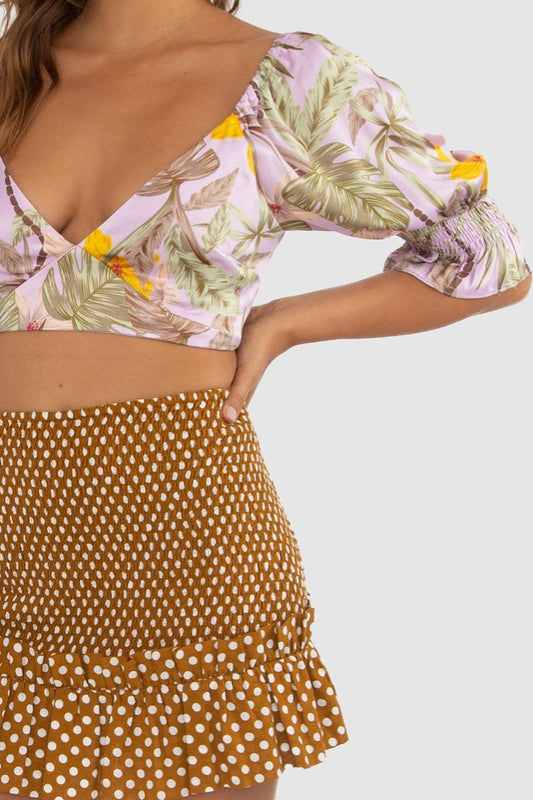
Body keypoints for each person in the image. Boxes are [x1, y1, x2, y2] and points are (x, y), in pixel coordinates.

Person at [0, 0, 529, 798]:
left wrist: (285, 324)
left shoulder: (289, 80)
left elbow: (487, 258)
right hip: (16, 551)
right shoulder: (14, 71)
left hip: (189, 547)